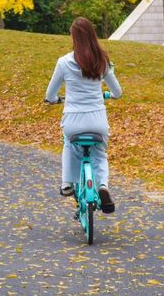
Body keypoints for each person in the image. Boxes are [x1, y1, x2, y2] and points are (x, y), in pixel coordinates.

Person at [45, 16, 122, 213]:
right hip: (97, 120)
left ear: (74, 38)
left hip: (73, 120)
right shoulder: (102, 61)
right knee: (99, 154)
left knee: (69, 144)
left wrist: (54, 100)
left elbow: (50, 94)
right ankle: (103, 186)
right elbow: (118, 93)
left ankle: (67, 183)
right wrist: (109, 95)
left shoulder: (63, 62)